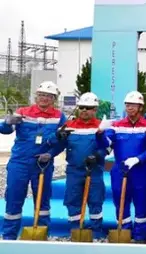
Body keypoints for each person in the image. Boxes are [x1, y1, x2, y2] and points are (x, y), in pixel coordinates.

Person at [0, 81, 66, 240]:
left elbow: (63, 141)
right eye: (42, 95)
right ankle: (9, 236)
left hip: (42, 164)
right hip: (19, 163)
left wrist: (50, 154)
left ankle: (42, 234)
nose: (44, 98)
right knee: (14, 198)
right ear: (36, 96)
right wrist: (7, 123)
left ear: (54, 99)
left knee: (43, 201)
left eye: (48, 96)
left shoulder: (59, 117)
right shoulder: (23, 112)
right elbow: (5, 130)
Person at [48, 92, 107, 238]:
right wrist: (51, 150)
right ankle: (76, 230)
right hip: (74, 171)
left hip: (94, 170)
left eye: (88, 108)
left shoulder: (101, 126)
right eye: (82, 107)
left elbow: (108, 146)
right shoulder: (68, 126)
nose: (84, 110)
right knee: (73, 200)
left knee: (95, 200)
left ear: (95, 110)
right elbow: (56, 144)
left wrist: (98, 155)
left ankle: (96, 233)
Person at [96, 91, 146, 242]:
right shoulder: (116, 126)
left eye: (133, 105)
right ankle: (124, 232)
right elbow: (106, 144)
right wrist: (100, 133)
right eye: (128, 105)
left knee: (142, 201)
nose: (130, 108)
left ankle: (140, 235)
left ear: (140, 107)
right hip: (120, 170)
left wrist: (139, 159)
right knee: (120, 200)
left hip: (141, 170)